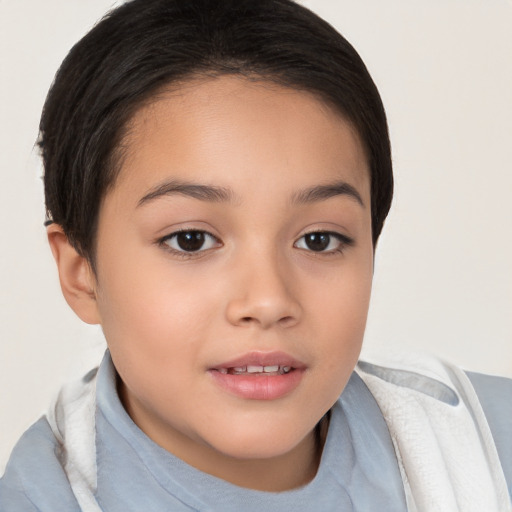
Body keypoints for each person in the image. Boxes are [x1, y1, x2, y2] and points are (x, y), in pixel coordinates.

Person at [0, 0, 510, 511]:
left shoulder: (484, 448)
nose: (267, 301)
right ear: (81, 271)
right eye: (191, 240)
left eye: (318, 239)